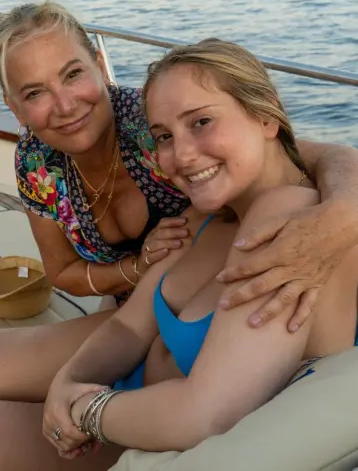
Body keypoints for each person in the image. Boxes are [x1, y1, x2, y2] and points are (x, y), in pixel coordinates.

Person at [2, 39, 358, 471]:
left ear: (265, 114)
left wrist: (82, 409)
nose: (182, 155)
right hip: (124, 400)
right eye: (164, 137)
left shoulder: (291, 224)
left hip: (148, 433)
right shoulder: (207, 215)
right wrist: (69, 379)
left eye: (202, 122)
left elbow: (204, 414)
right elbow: (129, 327)